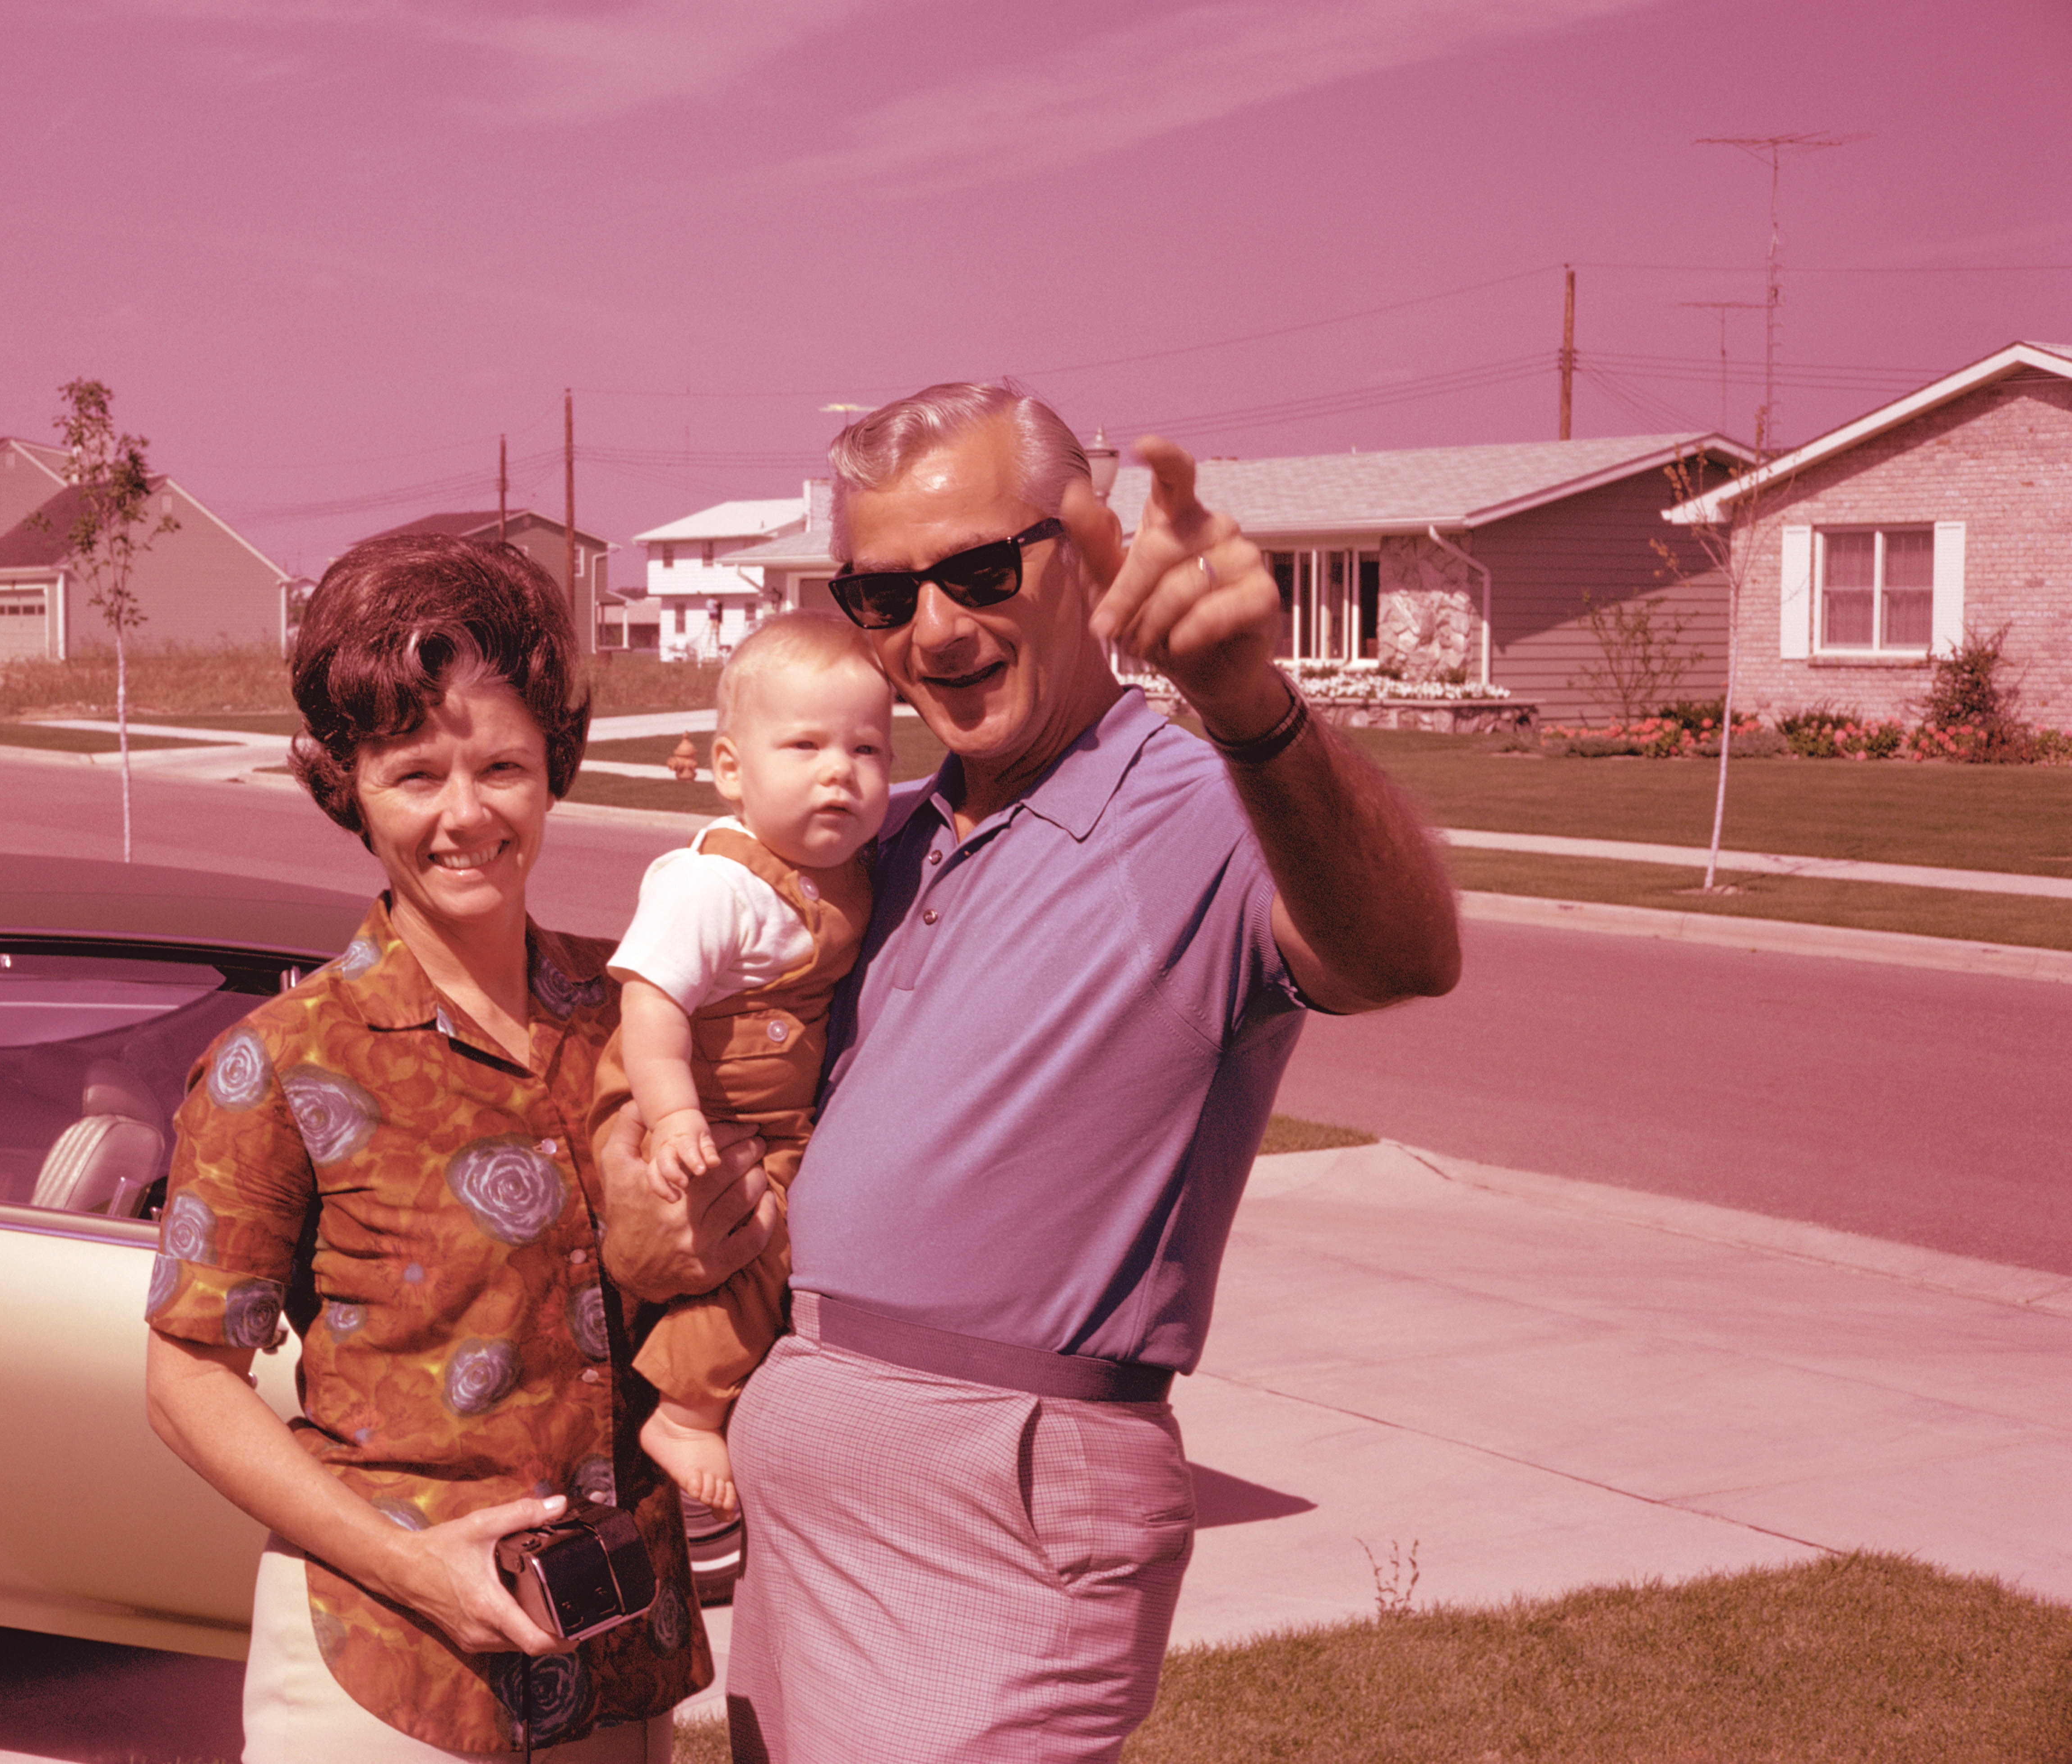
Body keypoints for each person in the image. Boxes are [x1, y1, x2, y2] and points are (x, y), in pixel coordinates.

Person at [598, 383, 1465, 1763]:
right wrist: (643, 1171)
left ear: (1087, 550)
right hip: (804, 1514)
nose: (934, 628)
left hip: (1004, 1518)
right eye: (881, 593)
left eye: (981, 568)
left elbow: (1402, 952)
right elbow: (665, 1025)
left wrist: (1252, 705)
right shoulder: (875, 834)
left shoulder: (1199, 803)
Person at [143, 533, 719, 1763]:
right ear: (345, 783)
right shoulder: (284, 1060)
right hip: (390, 1677)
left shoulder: (633, 1024)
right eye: (416, 773)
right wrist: (415, 1566)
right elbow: (187, 1382)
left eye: (503, 765)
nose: (468, 814)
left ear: (554, 769)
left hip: (619, 1675)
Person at [593, 613, 893, 1515]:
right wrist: (675, 1116)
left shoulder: (855, 864)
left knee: (780, 1244)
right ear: (730, 768)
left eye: (868, 748)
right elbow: (651, 1002)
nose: (839, 770)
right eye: (803, 745)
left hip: (772, 1117)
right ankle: (682, 1411)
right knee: (766, 1239)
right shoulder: (712, 884)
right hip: (702, 1107)